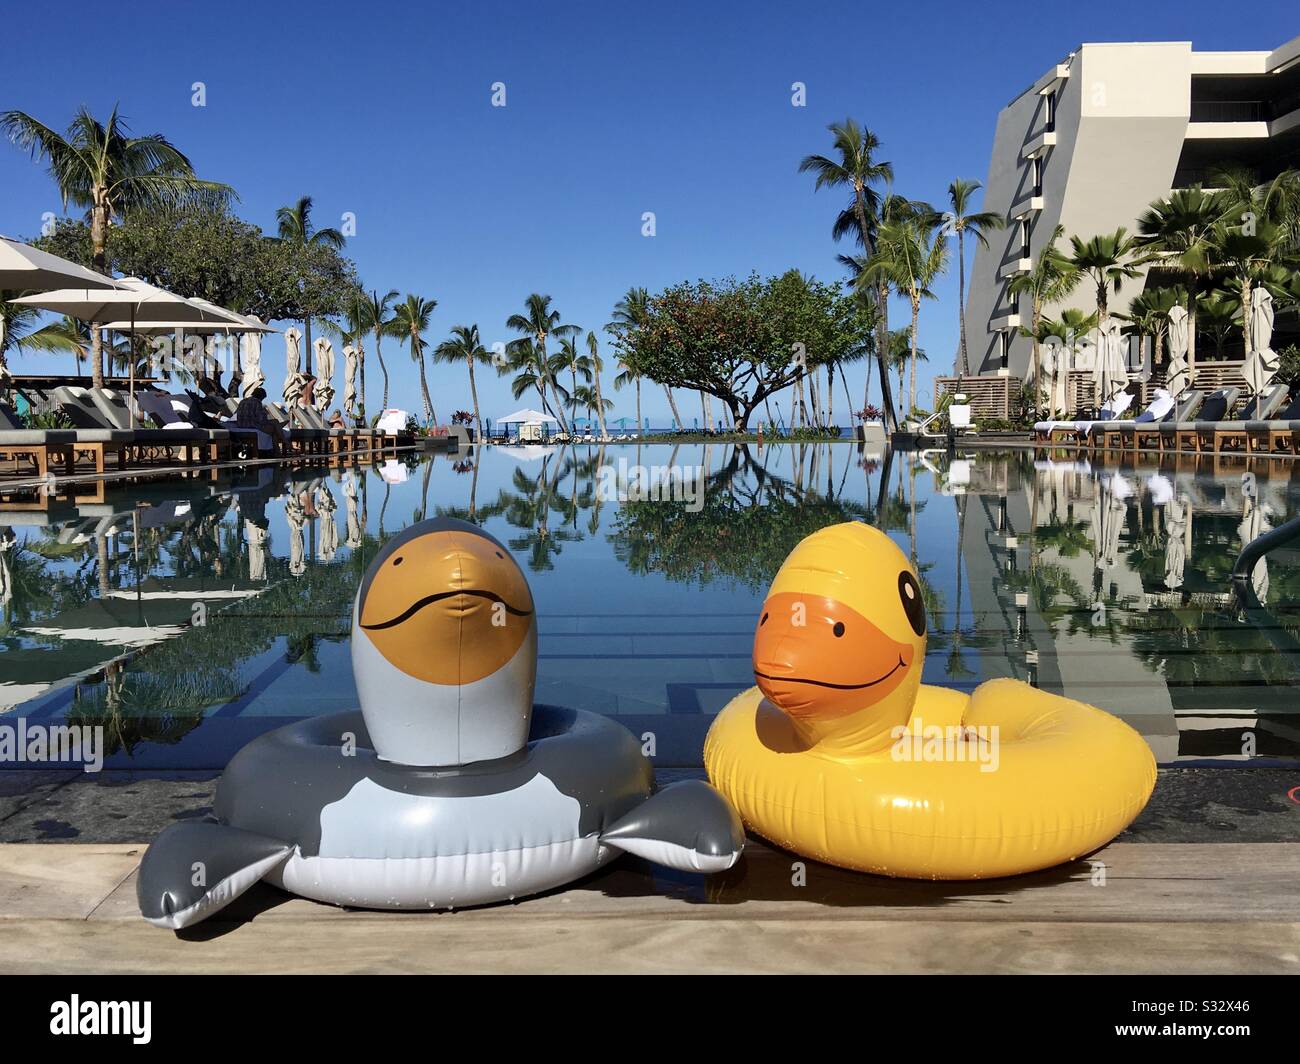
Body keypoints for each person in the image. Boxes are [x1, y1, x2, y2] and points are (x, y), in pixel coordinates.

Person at [233, 387, 283, 456]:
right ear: (261, 397)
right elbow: (261, 420)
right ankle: (277, 451)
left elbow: (235, 415)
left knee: (275, 423)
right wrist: (269, 422)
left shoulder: (243, 401)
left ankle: (277, 449)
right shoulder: (257, 402)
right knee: (274, 428)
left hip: (241, 425)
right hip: (252, 426)